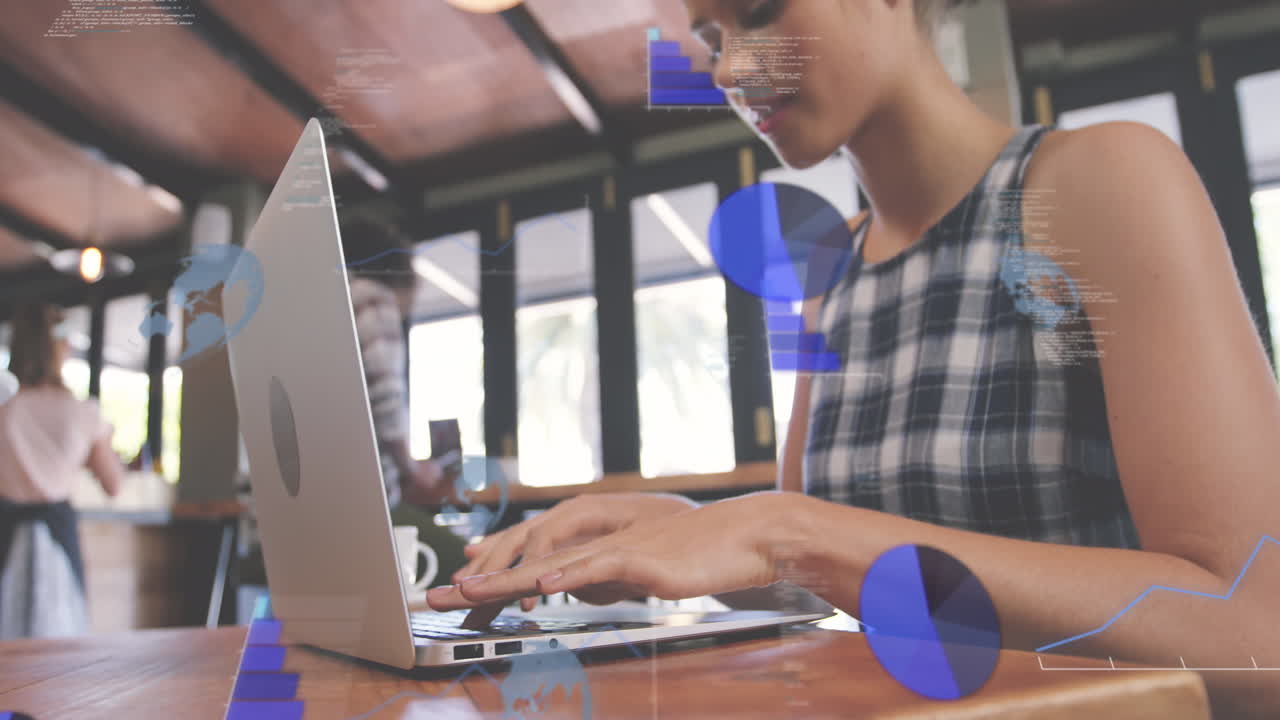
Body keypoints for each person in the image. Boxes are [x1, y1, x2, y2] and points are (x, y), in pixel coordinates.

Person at [426, 1, 1280, 716]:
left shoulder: (1102, 182)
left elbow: (1258, 635)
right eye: (713, 39)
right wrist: (685, 524)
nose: (725, 71)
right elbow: (824, 574)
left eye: (760, 11)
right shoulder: (829, 275)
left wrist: (788, 528)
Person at [340, 215, 468, 582]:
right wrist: (412, 467)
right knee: (480, 571)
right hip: (365, 511)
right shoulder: (371, 297)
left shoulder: (311, 310)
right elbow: (385, 399)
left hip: (301, 518)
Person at [0, 304, 127, 639]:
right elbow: (114, 484)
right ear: (60, 349)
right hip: (58, 534)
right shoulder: (83, 414)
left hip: (4, 532)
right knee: (59, 644)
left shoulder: (5, 410)